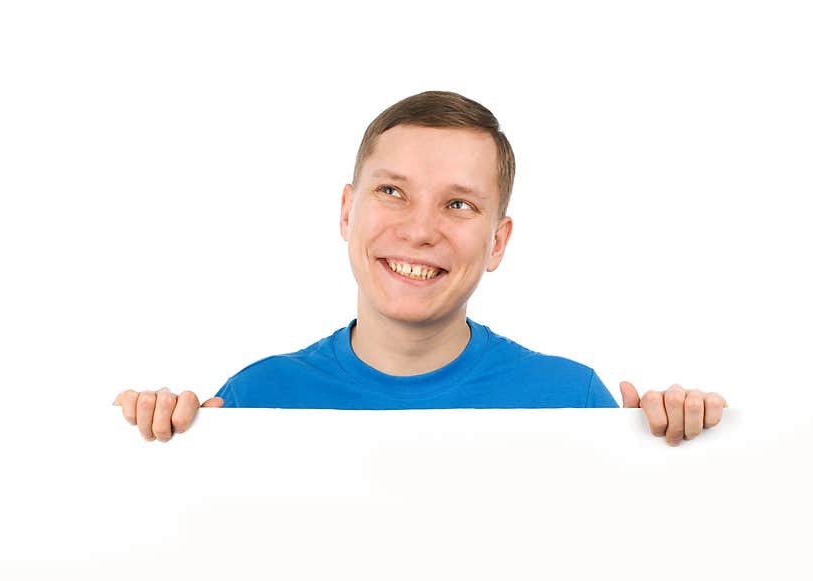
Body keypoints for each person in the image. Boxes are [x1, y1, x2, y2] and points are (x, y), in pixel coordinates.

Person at [114, 91, 727, 446]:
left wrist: (685, 451)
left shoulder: (569, 400)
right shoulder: (258, 399)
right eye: (392, 192)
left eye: (458, 204)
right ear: (348, 210)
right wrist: (150, 441)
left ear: (497, 242)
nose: (419, 230)